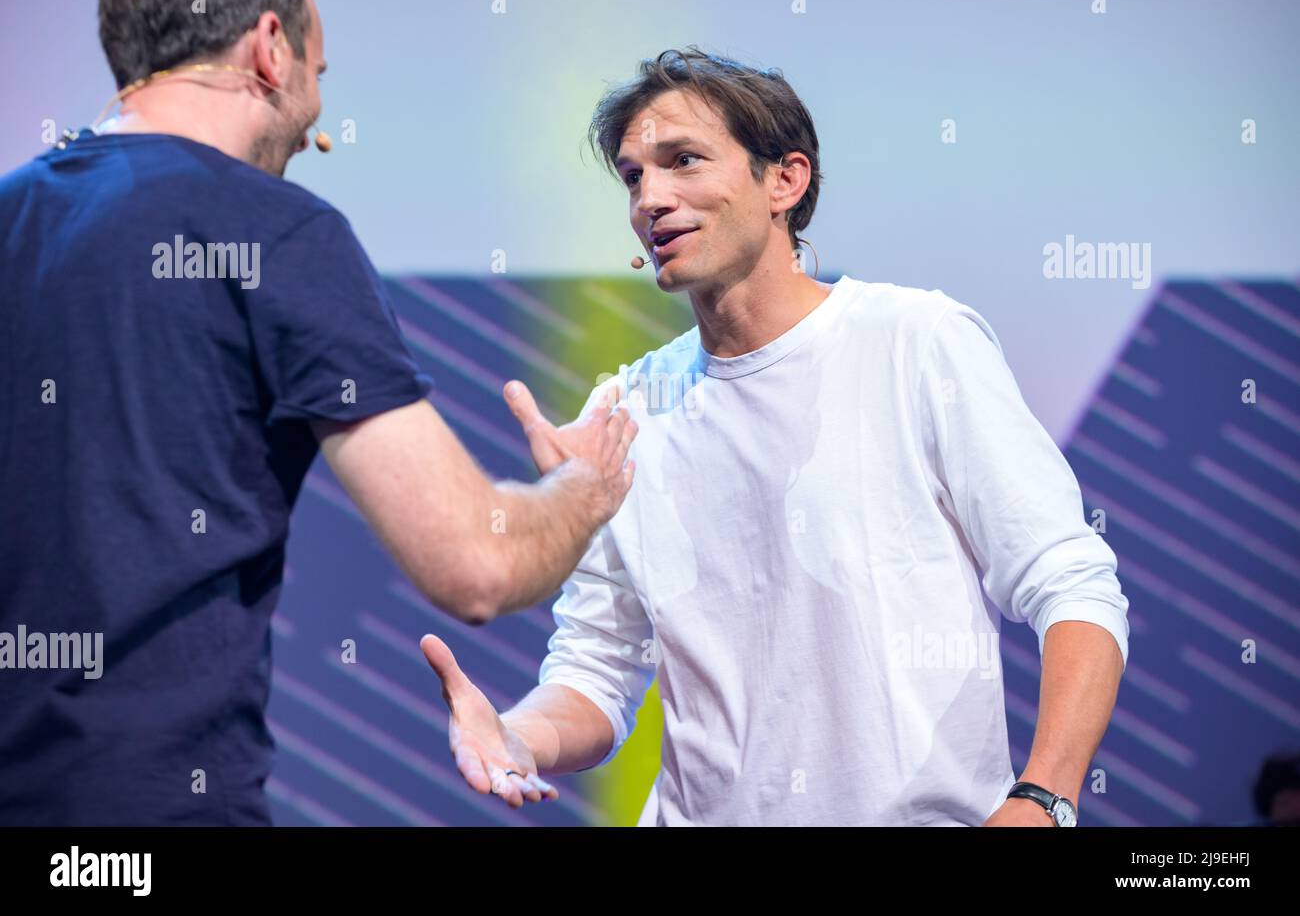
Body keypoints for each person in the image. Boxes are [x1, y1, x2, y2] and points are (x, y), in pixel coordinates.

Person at [422, 48, 1130, 825]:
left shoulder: (917, 342)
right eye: (632, 177)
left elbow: (1074, 584)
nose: (650, 199)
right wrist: (517, 738)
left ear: (784, 182)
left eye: (682, 161)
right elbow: (598, 667)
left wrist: (1044, 796)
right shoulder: (629, 407)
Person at [0, 0, 636, 825]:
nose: (312, 129)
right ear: (270, 48)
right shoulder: (280, 234)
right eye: (317, 80)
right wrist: (586, 486)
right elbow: (477, 565)